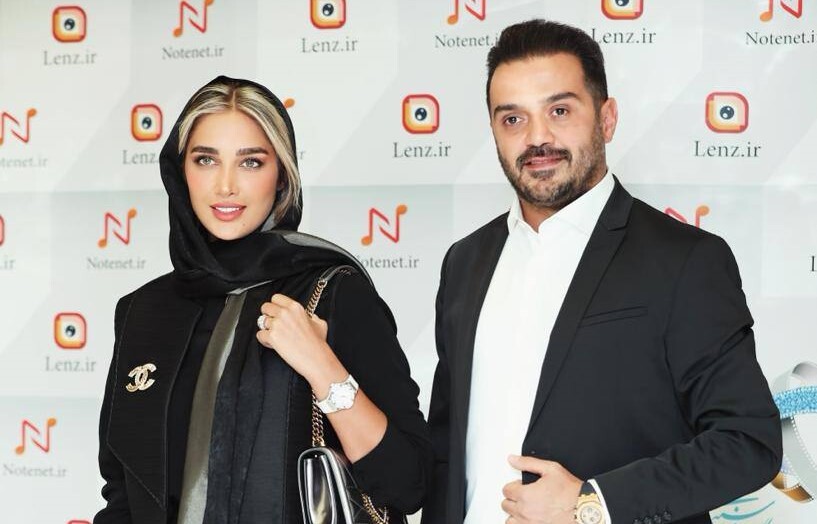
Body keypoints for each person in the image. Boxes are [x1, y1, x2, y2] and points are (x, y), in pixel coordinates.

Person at [422, 20, 782, 524]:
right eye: (513, 119)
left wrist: (594, 503)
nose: (537, 138)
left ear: (607, 119)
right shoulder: (464, 262)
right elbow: (445, 449)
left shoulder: (685, 260)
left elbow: (748, 441)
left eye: (560, 110)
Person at [94, 76, 431, 523]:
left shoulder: (332, 293)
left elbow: (409, 482)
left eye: (250, 162)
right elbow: (123, 494)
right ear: (179, 173)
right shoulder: (144, 312)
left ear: (282, 175)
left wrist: (322, 366)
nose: (226, 186)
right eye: (206, 160)